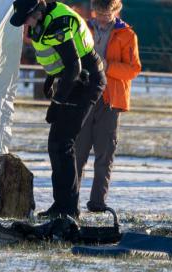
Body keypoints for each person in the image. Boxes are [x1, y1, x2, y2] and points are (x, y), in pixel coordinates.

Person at [9, 0, 106, 219]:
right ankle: (63, 205)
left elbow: (74, 66)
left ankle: (68, 209)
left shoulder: (57, 24)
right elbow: (60, 60)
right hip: (74, 80)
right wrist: (51, 78)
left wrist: (57, 103)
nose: (25, 24)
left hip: (85, 81)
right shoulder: (44, 19)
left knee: (62, 143)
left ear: (37, 11)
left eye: (26, 18)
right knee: (58, 144)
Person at [74, 0, 141, 212]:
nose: (102, 17)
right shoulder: (83, 27)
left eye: (107, 13)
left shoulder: (127, 35)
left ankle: (97, 202)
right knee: (77, 153)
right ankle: (69, 200)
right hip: (84, 98)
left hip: (110, 101)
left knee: (104, 155)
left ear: (116, 10)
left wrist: (108, 66)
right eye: (99, 12)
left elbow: (133, 69)